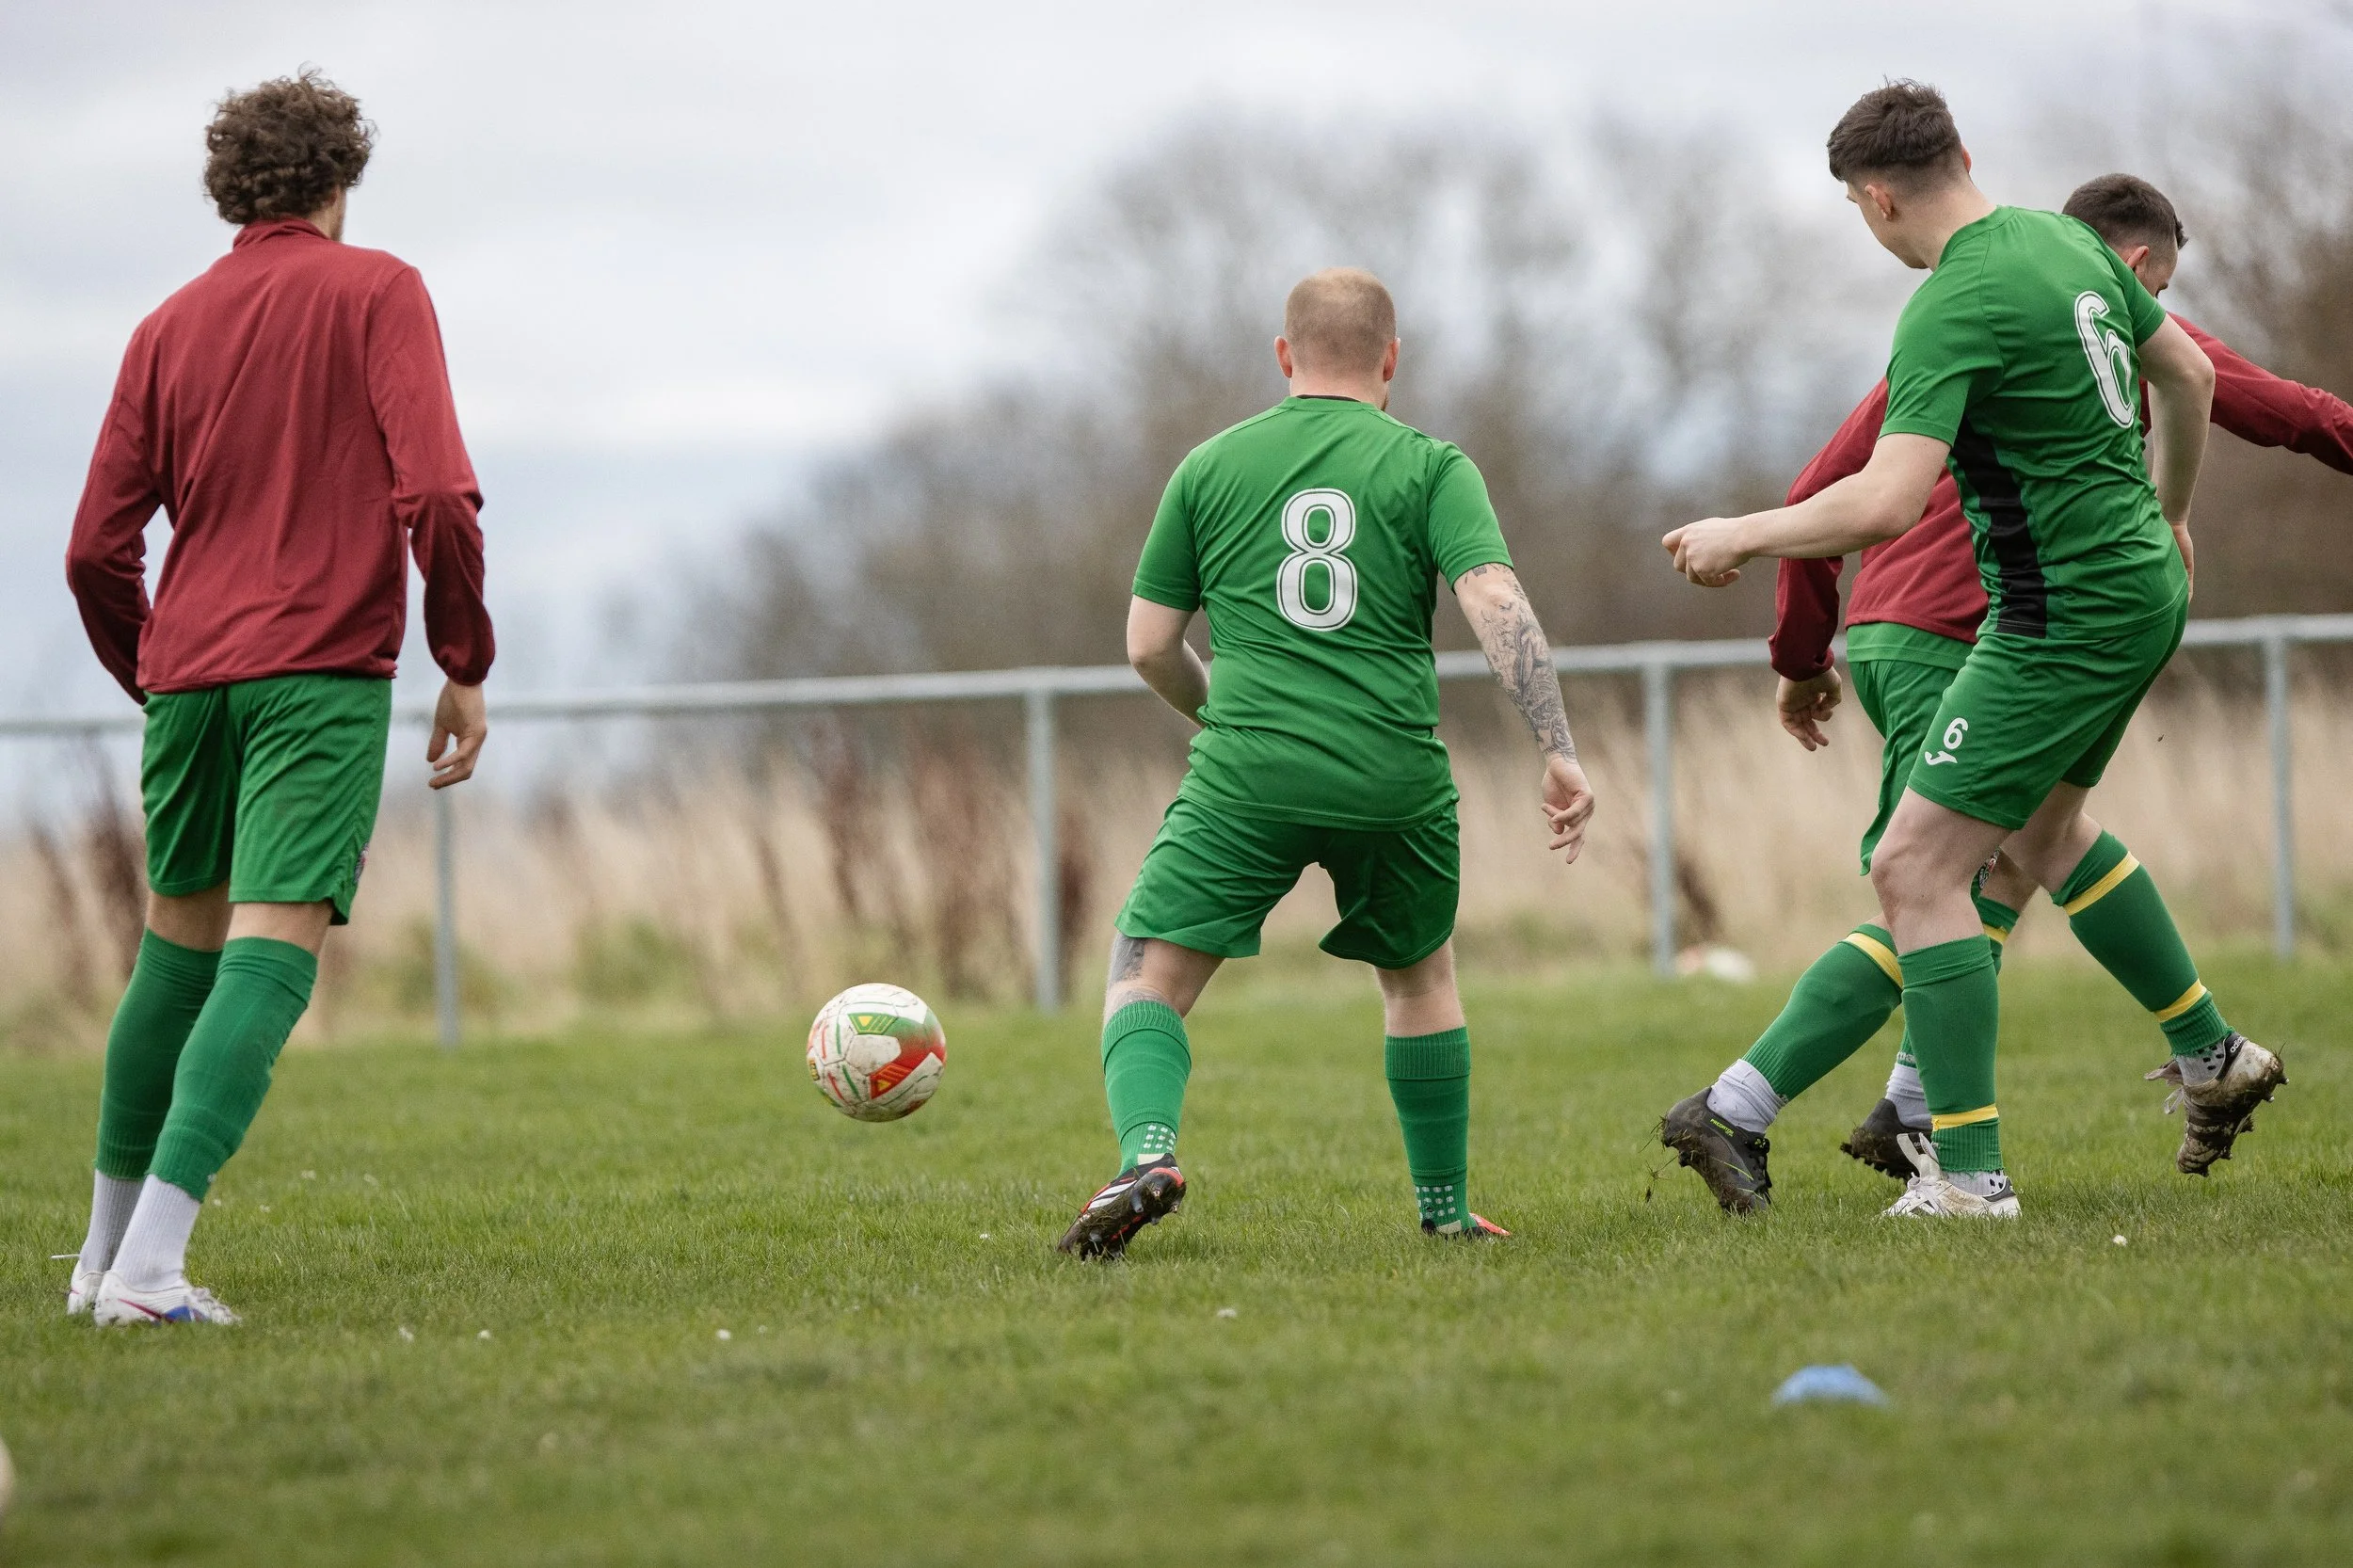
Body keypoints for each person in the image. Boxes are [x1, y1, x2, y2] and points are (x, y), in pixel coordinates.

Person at [1658, 82, 2282, 1220]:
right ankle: (2208, 1055)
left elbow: (1890, 501)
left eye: (1858, 207)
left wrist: (1742, 535)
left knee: (1913, 868)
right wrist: (2173, 511)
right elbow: (2187, 377)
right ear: (1964, 154)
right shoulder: (2063, 241)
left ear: (1878, 196)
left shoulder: (1952, 302)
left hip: (2061, 617)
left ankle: (1968, 1178)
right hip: (2137, 592)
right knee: (2039, 835)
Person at [62, 71, 493, 1324]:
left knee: (173, 956)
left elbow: (94, 547)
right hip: (316, 678)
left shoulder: (164, 328)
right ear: (341, 183)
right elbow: (442, 498)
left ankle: (97, 1262)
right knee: (268, 956)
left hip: (187, 675)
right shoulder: (380, 292)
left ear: (229, 190)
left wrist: (155, 670)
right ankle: (147, 1275)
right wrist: (462, 655)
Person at [1055, 267, 1596, 1259]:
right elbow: (1495, 603)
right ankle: (1442, 1208)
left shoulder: (1209, 466)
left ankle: (1148, 1154)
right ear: (1391, 359)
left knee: (1147, 975)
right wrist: (1555, 750)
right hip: (1394, 773)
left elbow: (1145, 643)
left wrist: (1222, 714)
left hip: (1248, 772)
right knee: (1420, 981)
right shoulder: (1433, 466)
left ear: (1281, 356)